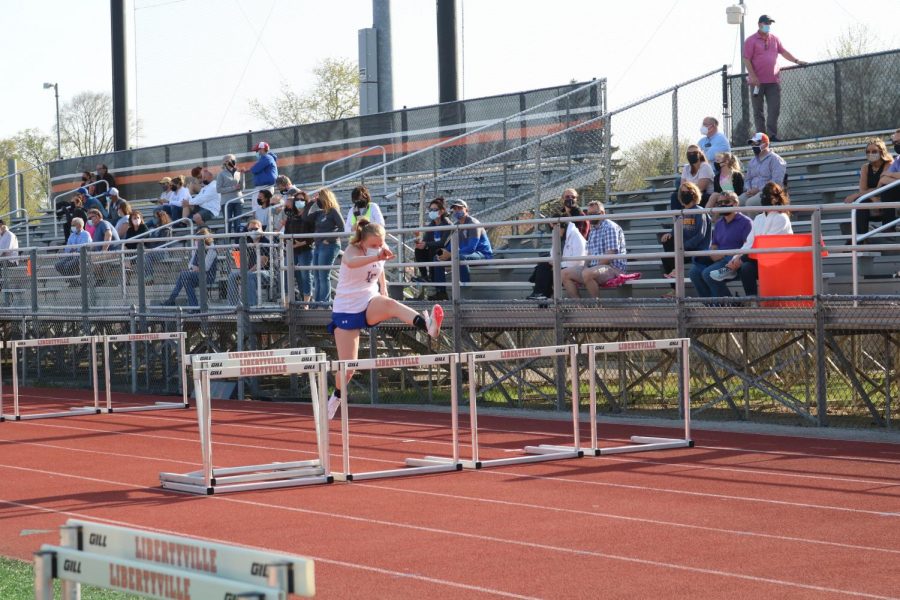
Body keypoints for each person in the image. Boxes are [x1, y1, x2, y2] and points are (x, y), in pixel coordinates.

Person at [326, 219, 443, 419]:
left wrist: (384, 287)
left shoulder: (381, 247)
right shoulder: (352, 251)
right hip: (346, 308)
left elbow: (379, 268)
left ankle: (428, 326)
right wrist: (377, 256)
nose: (378, 248)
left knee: (391, 305)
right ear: (362, 242)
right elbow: (352, 263)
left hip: (369, 300)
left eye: (380, 244)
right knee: (348, 368)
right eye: (373, 245)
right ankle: (336, 396)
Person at [710, 182, 793, 296]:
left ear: (776, 198)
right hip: (758, 258)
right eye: (763, 195)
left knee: (745, 261)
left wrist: (742, 258)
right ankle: (752, 299)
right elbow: (749, 243)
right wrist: (735, 258)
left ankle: (730, 269)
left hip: (776, 259)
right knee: (746, 267)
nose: (764, 198)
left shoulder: (781, 218)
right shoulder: (759, 218)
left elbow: (768, 245)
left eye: (767, 195)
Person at [743, 14, 807, 142]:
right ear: (759, 24)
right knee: (758, 111)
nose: (768, 26)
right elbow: (746, 59)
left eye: (769, 24)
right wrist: (753, 76)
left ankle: (772, 135)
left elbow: (783, 52)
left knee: (774, 109)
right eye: (766, 23)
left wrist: (796, 60)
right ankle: (761, 137)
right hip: (757, 83)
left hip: (773, 81)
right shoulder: (750, 40)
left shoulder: (774, 39)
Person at [689, 193, 753, 298]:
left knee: (708, 274)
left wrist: (723, 255)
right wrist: (712, 254)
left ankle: (728, 305)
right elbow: (714, 245)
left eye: (727, 202)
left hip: (733, 260)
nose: (723, 205)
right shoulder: (719, 223)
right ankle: (711, 306)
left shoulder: (746, 222)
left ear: (736, 203)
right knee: (694, 272)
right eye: (720, 203)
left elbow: (747, 247)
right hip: (718, 259)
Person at [561, 202, 627, 298]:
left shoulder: (610, 227)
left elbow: (610, 255)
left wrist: (589, 269)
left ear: (603, 213)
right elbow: (589, 254)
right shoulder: (593, 229)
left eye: (594, 214)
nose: (591, 216)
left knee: (587, 273)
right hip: (595, 267)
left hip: (613, 268)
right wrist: (585, 266)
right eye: (589, 214)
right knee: (564, 273)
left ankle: (596, 305)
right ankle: (579, 305)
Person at [841, 138, 896, 242]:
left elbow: (882, 186)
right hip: (872, 199)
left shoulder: (889, 164)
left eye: (874, 151)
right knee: (862, 203)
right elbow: (863, 189)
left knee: (862, 199)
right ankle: (862, 239)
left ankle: (887, 231)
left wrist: (856, 195)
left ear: (881, 152)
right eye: (868, 152)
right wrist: (872, 197)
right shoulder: (865, 167)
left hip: (887, 198)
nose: (870, 154)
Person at [527, 210, 587, 300]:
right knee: (543, 264)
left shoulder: (576, 236)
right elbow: (553, 253)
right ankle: (540, 294)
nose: (553, 229)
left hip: (574, 268)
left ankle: (541, 295)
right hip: (561, 265)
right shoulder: (558, 235)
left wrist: (557, 264)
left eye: (554, 226)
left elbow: (578, 261)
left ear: (561, 225)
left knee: (545, 270)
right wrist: (554, 263)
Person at [659, 182, 711, 281]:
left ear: (694, 194)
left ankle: (675, 271)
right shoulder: (681, 213)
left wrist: (683, 246)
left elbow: (700, 235)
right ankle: (675, 286)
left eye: (688, 192)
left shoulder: (699, 211)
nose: (685, 194)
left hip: (698, 249)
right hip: (683, 249)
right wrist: (668, 234)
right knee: (666, 247)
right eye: (682, 192)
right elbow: (675, 232)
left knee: (672, 255)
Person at [437, 199, 494, 289]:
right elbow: (450, 246)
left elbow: (471, 248)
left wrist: (451, 254)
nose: (456, 211)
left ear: (466, 209)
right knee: (437, 258)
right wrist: (442, 253)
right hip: (463, 254)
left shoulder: (473, 223)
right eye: (455, 209)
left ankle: (465, 288)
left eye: (459, 208)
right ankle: (440, 292)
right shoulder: (456, 225)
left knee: (460, 257)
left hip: (482, 254)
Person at [163, 227, 219, 307]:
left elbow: (205, 268)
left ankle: (171, 299)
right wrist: (196, 268)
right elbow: (190, 265)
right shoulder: (197, 249)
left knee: (183, 274)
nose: (195, 242)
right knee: (187, 282)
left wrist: (196, 268)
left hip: (208, 276)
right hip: (197, 275)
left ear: (204, 240)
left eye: (197, 240)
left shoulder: (211, 249)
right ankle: (194, 307)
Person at [414, 197, 452, 301]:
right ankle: (425, 276)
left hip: (444, 251)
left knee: (435, 250)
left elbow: (443, 243)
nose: (432, 212)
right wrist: (421, 243)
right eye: (431, 210)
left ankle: (440, 292)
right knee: (418, 250)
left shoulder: (447, 224)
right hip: (433, 251)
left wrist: (427, 244)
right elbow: (426, 240)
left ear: (442, 211)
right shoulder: (432, 224)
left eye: (435, 210)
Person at [284, 191, 318, 303]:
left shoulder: (310, 216)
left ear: (306, 201)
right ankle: (287, 302)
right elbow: (286, 232)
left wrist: (302, 243)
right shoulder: (291, 216)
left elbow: (314, 234)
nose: (299, 201)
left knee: (305, 275)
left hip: (306, 249)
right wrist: (290, 243)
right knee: (287, 273)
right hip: (292, 249)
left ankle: (306, 303)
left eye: (302, 199)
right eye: (297, 199)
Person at [312, 189, 346, 303]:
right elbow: (305, 217)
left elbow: (342, 228)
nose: (318, 200)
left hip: (328, 246)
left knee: (323, 275)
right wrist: (310, 203)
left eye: (319, 198)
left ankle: (324, 303)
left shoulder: (333, 211)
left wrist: (328, 239)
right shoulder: (320, 213)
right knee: (316, 276)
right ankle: (316, 303)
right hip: (317, 246)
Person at [227, 220, 270, 307]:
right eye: (250, 229)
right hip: (250, 272)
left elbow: (262, 262)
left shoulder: (265, 241)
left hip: (267, 273)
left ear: (261, 229)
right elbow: (238, 260)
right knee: (232, 275)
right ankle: (233, 305)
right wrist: (237, 258)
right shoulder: (247, 240)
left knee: (248, 275)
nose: (253, 231)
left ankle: (252, 305)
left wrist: (246, 272)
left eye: (256, 229)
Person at [741, 133, 786, 206]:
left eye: (756, 143)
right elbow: (747, 179)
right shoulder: (752, 161)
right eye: (752, 144)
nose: (753, 146)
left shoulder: (776, 159)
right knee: (737, 202)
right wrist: (749, 189)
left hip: (769, 193)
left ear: (765, 144)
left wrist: (759, 189)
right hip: (752, 192)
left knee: (750, 203)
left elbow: (776, 181)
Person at [670, 145, 715, 210]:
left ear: (699, 154)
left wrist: (687, 190)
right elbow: (682, 186)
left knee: (688, 196)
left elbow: (701, 188)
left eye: (694, 153)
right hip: (690, 193)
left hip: (704, 195)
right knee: (675, 196)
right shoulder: (686, 168)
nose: (691, 155)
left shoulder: (705, 167)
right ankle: (678, 218)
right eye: (689, 154)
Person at [216, 154, 243, 233]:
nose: (230, 162)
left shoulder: (238, 173)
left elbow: (242, 188)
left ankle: (238, 244)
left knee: (238, 224)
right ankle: (227, 243)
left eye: (231, 160)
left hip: (238, 201)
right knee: (228, 224)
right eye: (227, 161)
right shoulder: (221, 174)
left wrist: (243, 175)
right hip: (227, 202)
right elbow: (218, 189)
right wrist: (233, 188)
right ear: (224, 163)